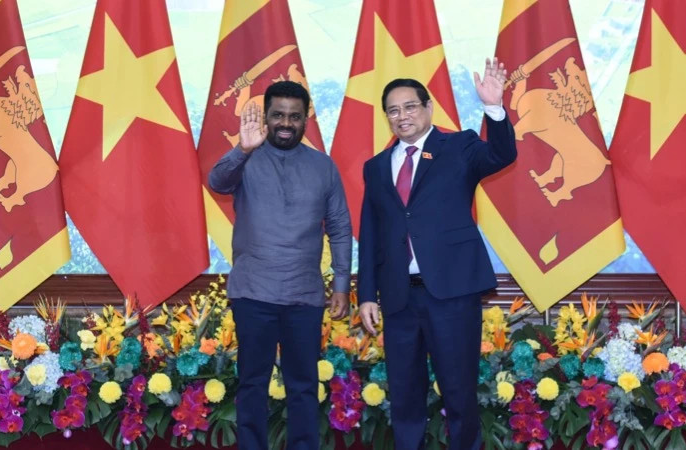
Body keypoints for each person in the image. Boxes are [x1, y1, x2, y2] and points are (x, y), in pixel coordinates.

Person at [357, 58, 516, 450]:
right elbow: (372, 233)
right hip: (398, 298)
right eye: (393, 110)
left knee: (459, 391)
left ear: (428, 108)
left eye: (410, 106)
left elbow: (501, 155)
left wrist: (494, 109)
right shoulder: (376, 167)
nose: (402, 116)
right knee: (405, 394)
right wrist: (365, 295)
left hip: (451, 293)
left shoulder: (458, 146)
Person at [208, 80, 352, 450]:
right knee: (252, 383)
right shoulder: (246, 156)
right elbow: (217, 182)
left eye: (294, 116)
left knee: (303, 385)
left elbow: (339, 227)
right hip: (253, 292)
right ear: (267, 118)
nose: (286, 123)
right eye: (278, 115)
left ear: (306, 119)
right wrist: (242, 149)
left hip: (304, 296)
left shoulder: (323, 166)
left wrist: (340, 285)